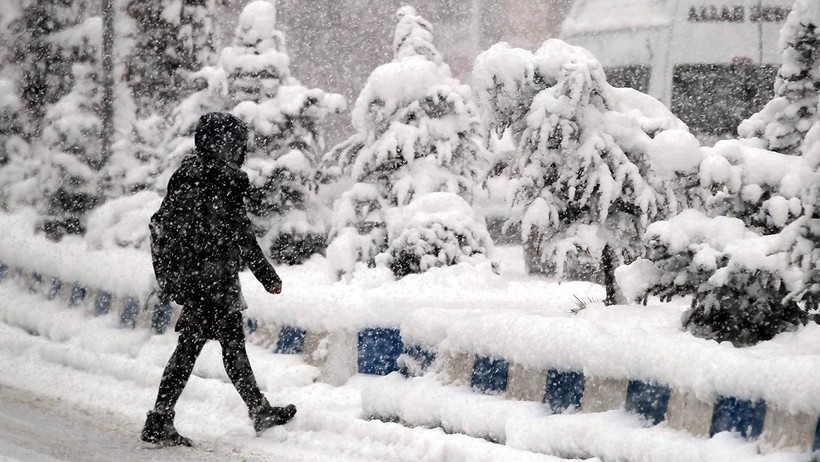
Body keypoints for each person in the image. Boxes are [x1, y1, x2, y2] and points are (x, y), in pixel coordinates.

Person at [142, 112, 296, 447]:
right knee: (207, 349)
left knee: (216, 346)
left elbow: (169, 225)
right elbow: (243, 236)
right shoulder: (221, 181)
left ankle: (255, 410)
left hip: (195, 279)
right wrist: (268, 277)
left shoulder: (186, 175)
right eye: (235, 143)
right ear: (221, 144)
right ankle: (161, 418)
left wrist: (179, 273)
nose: (239, 150)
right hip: (212, 281)